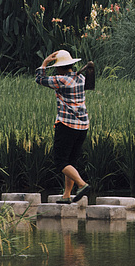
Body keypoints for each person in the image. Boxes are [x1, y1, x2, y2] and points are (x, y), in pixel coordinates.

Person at [36, 49, 93, 203]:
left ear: (59, 67)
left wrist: (45, 63)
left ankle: (82, 184)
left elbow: (39, 79)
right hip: (83, 126)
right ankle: (66, 195)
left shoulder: (60, 80)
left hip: (66, 125)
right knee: (70, 162)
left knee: (61, 161)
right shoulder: (80, 78)